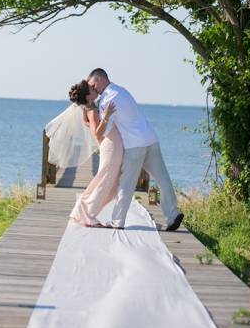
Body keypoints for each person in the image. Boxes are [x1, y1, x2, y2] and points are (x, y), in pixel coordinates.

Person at [87, 68, 184, 231]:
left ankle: (118, 221)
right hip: (150, 138)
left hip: (134, 145)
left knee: (126, 183)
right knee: (163, 180)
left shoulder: (107, 101)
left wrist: (94, 120)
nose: (93, 89)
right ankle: (173, 215)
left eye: (93, 85)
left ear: (101, 80)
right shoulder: (122, 91)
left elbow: (103, 133)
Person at [67, 80, 120, 227]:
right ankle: (89, 214)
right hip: (110, 146)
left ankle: (83, 210)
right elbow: (97, 134)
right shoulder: (91, 109)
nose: (95, 89)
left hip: (110, 145)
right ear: (89, 97)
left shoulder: (89, 108)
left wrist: (98, 120)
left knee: (108, 181)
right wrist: (106, 118)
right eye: (92, 89)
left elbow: (87, 123)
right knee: (106, 182)